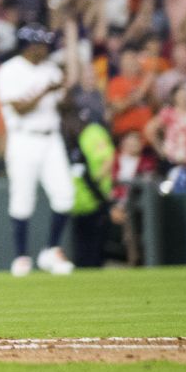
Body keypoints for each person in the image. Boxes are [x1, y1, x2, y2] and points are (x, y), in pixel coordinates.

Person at [0, 22, 75, 277]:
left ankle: (51, 250)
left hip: (51, 137)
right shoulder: (9, 71)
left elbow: (64, 106)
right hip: (23, 138)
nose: (44, 48)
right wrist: (46, 90)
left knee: (65, 195)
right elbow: (18, 108)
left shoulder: (50, 69)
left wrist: (64, 89)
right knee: (22, 200)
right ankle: (21, 257)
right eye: (40, 44)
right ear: (28, 46)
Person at [63, 101, 117, 268]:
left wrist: (97, 181)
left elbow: (108, 158)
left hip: (95, 198)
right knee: (82, 250)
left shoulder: (93, 133)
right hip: (80, 202)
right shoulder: (75, 137)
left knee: (94, 250)